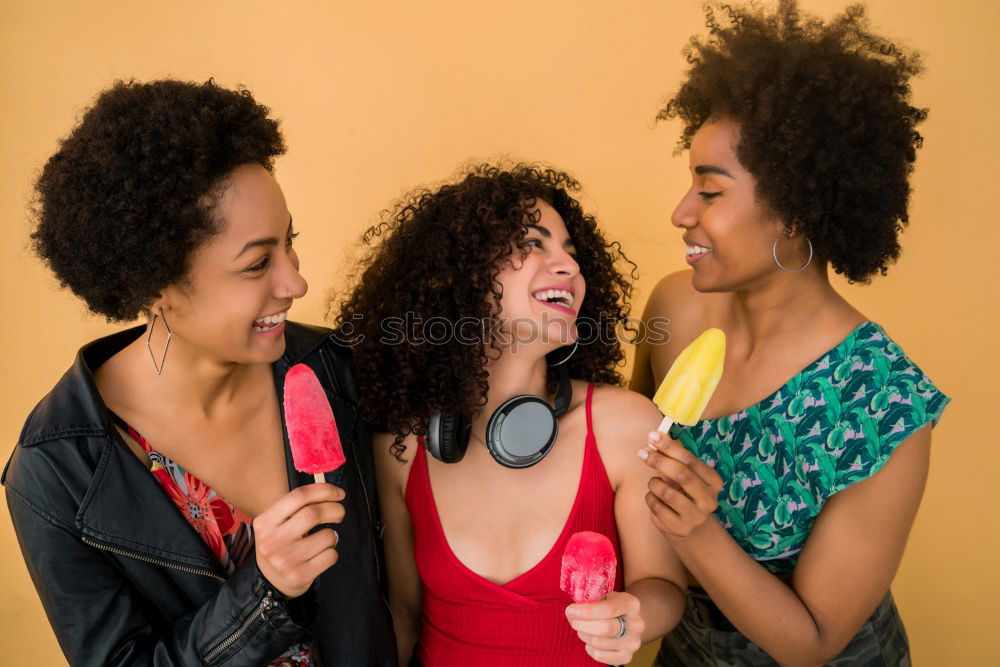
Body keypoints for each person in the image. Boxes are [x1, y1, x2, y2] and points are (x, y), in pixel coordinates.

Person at [3, 79, 395, 666]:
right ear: (156, 282)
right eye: (258, 263)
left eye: (291, 244)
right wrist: (263, 592)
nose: (295, 283)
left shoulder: (337, 370)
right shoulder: (60, 471)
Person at [629, 2, 950, 664]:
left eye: (711, 193)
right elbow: (624, 449)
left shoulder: (882, 405)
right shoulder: (674, 309)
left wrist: (698, 531)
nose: (680, 213)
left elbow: (812, 641)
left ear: (795, 212)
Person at [334, 163, 688, 666]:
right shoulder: (401, 448)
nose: (567, 265)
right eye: (533, 243)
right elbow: (404, 615)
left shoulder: (626, 424)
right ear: (454, 276)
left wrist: (634, 615)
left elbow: (665, 586)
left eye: (570, 250)